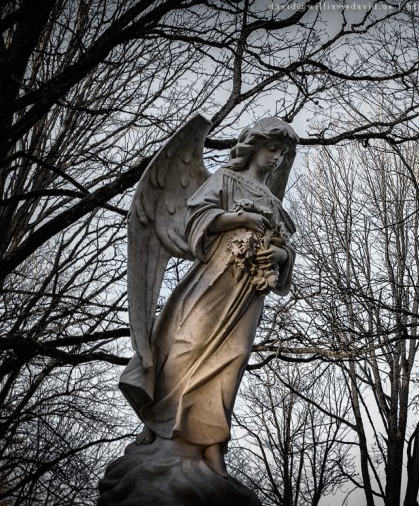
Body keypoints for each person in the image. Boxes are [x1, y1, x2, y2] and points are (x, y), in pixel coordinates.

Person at [119, 118, 298, 476]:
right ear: (254, 144)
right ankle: (159, 427)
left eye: (284, 152)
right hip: (213, 278)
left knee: (232, 360)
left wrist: (279, 256)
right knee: (186, 347)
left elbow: (284, 250)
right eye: (272, 148)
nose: (277, 158)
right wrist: (238, 217)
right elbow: (194, 219)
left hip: (249, 292)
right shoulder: (225, 180)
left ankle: (212, 444)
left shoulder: (275, 204)